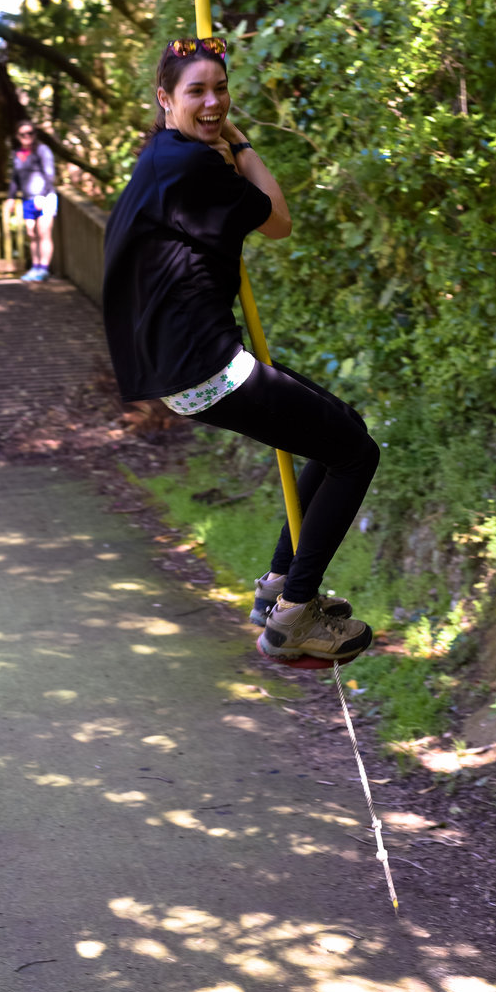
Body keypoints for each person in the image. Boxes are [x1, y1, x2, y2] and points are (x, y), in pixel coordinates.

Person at [102, 37, 380, 663]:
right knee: (356, 453)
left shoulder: (163, 156)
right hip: (206, 364)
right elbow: (278, 220)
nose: (212, 102)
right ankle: (292, 618)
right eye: (196, 91)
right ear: (164, 98)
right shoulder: (191, 165)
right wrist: (242, 144)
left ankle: (281, 585)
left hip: (193, 360)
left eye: (220, 89)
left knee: (340, 435)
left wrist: (221, 138)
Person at [6, 120, 57, 282]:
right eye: (23, 134)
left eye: (30, 133)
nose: (27, 136)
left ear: (35, 135)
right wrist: (11, 198)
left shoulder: (42, 150)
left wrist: (42, 195)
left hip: (45, 197)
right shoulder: (17, 154)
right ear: (17, 136)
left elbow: (49, 174)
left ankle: (44, 268)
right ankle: (35, 267)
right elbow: (15, 179)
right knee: (31, 233)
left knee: (43, 232)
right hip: (27, 199)